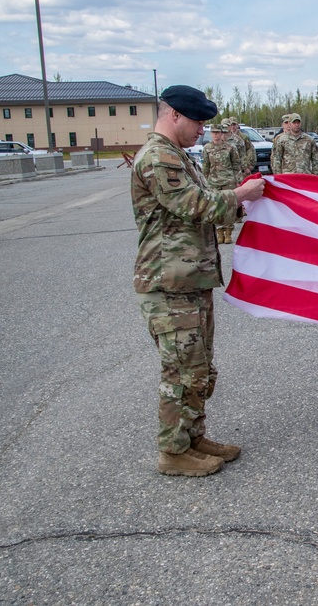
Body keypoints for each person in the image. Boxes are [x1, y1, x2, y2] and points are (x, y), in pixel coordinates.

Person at [131, 85, 265, 477]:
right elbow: (195, 205)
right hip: (168, 284)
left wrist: (244, 201)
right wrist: (240, 193)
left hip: (188, 280)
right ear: (174, 115)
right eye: (198, 122)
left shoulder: (178, 156)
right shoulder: (158, 157)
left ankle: (192, 435)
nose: (203, 130)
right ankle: (173, 451)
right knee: (181, 371)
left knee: (199, 367)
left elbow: (205, 204)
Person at [201, 122, 241, 244]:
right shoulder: (207, 148)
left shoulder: (230, 147)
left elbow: (236, 165)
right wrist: (204, 181)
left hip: (228, 180)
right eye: (213, 132)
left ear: (221, 133)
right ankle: (219, 232)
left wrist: (238, 180)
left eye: (218, 132)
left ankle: (228, 232)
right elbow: (206, 166)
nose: (216, 135)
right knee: (216, 207)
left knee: (228, 207)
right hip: (213, 181)